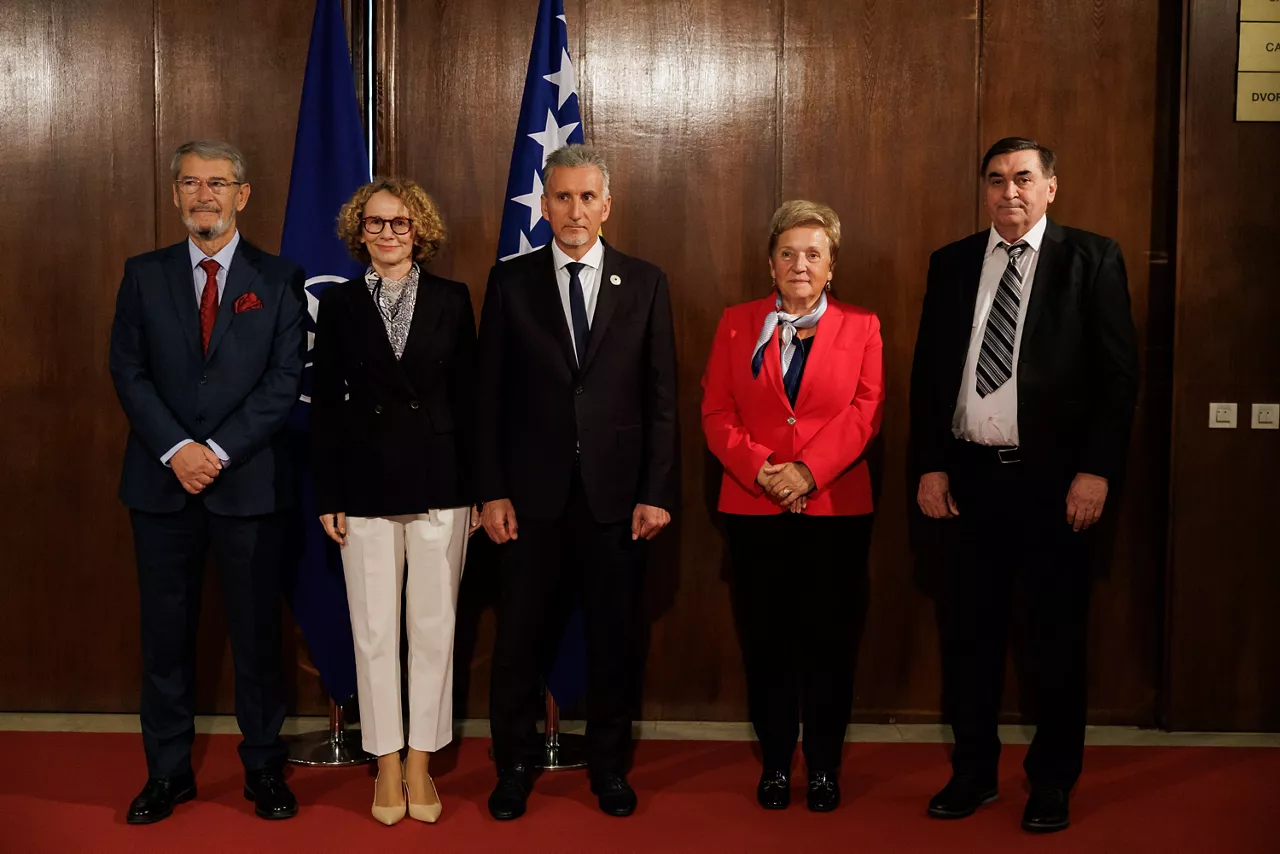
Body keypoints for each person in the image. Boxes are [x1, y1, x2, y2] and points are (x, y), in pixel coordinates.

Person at [909, 137, 1139, 833]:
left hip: (1055, 487)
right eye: (996, 179)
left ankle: (1052, 782)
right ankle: (974, 771)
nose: (1009, 191)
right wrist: (930, 463)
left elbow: (1118, 378)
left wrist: (1096, 470)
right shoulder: (951, 264)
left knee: (1055, 643)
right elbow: (928, 376)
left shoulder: (1091, 259)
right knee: (969, 639)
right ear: (984, 189)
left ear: (1051, 187)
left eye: (1023, 178)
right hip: (970, 483)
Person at [476, 144, 679, 820]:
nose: (575, 211)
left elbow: (661, 399)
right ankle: (513, 767)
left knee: (616, 641)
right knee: (518, 644)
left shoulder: (645, 282)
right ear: (543, 205)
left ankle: (610, 768)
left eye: (588, 198)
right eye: (562, 197)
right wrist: (493, 490)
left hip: (616, 501)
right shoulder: (510, 282)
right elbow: (490, 399)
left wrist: (655, 490)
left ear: (607, 206)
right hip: (527, 502)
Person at [109, 139, 306, 824]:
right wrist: (177, 450)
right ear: (175, 195)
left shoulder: (279, 278)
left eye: (217, 183)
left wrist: (216, 450)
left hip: (248, 484)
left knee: (256, 638)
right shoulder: (142, 274)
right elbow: (128, 372)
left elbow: (284, 383)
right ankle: (167, 775)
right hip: (162, 488)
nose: (204, 196)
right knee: (165, 639)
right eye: (190, 183)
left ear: (242, 195)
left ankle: (263, 772)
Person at [701, 200, 884, 812]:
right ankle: (777, 763)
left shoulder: (862, 326)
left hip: (834, 510)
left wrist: (807, 472)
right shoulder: (735, 323)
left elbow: (866, 411)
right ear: (770, 263)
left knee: (831, 643)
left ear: (831, 264)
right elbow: (717, 412)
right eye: (787, 253)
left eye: (813, 253)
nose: (799, 264)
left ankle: (825, 766)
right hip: (755, 511)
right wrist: (764, 472)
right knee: (767, 642)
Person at [310, 178, 479, 826]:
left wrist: (477, 492)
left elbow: (471, 402)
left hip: (441, 485)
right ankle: (384, 761)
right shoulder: (341, 306)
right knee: (377, 631)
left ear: (420, 232)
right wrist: (328, 491)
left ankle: (420, 761)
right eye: (376, 224)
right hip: (364, 485)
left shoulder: (453, 299)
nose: (387, 234)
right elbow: (324, 408)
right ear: (360, 232)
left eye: (400, 224)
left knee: (433, 631)